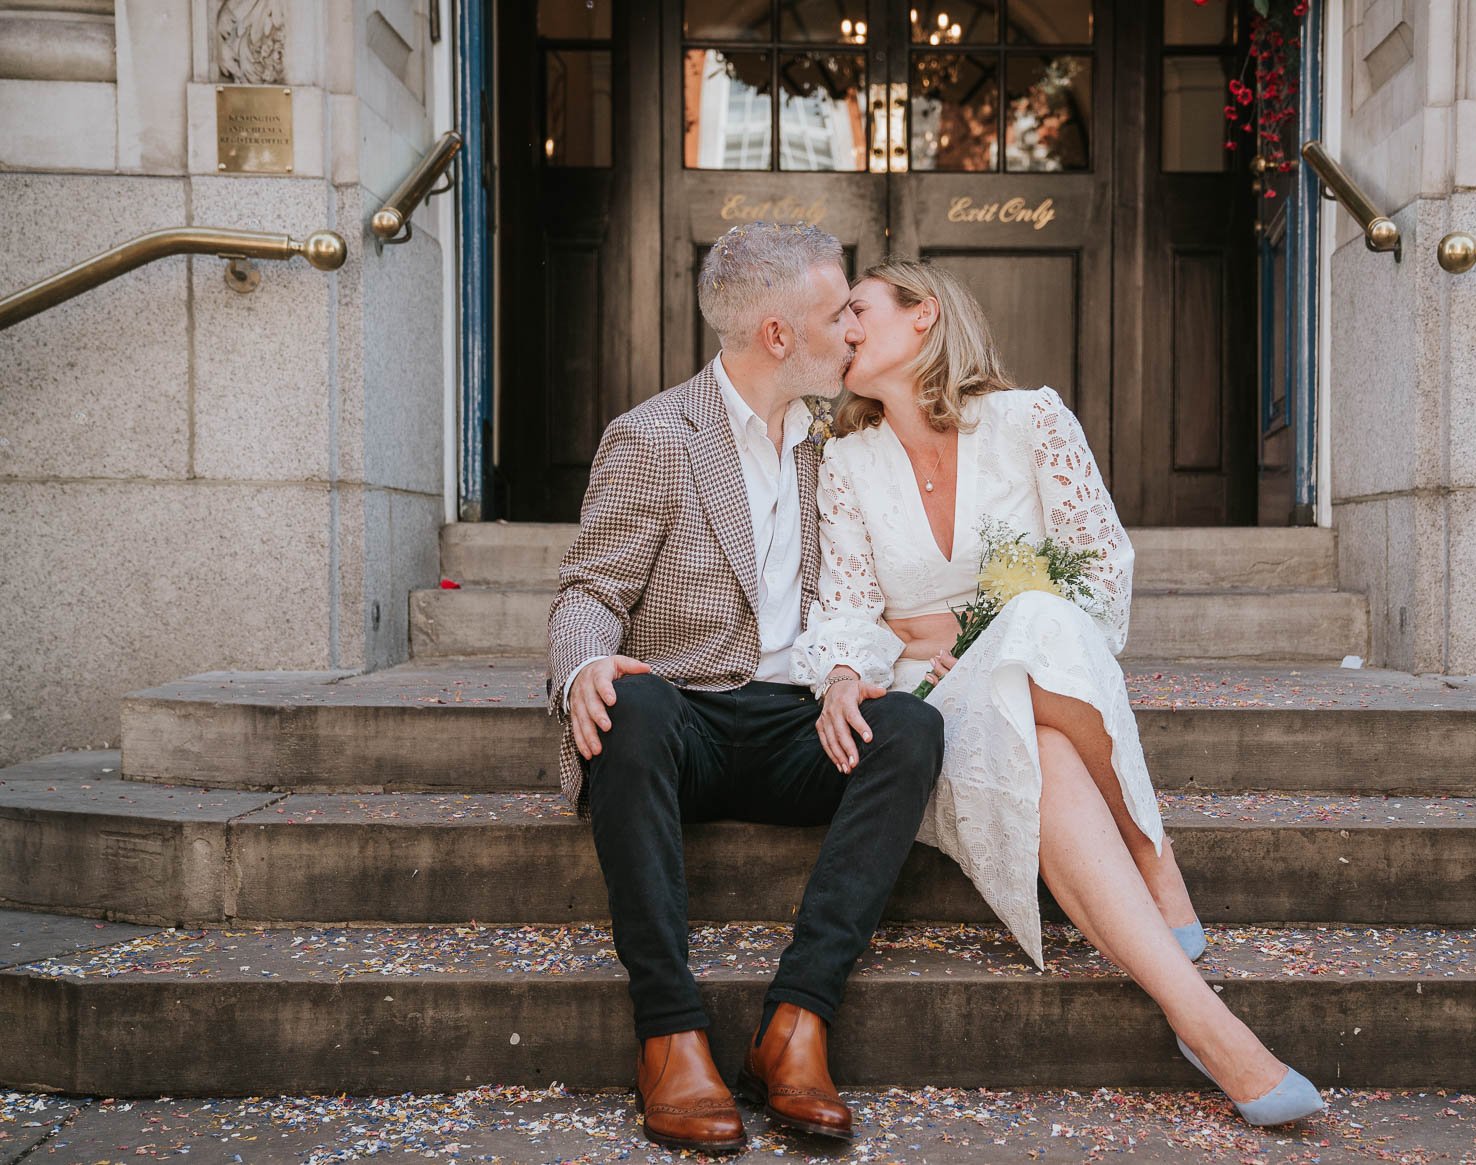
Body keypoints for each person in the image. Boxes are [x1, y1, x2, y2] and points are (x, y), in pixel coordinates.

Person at [790, 260, 1326, 1128]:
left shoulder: (1030, 419)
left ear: (924, 316)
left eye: (858, 309)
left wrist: (974, 623)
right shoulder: (846, 463)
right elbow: (848, 607)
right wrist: (851, 672)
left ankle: (1202, 1018)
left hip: (1036, 673)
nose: (841, 329)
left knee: (1038, 641)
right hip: (933, 700)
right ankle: (1168, 906)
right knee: (1023, 643)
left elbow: (1100, 581)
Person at [547, 224, 944, 1154]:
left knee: (914, 732)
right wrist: (583, 667)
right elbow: (590, 589)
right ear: (778, 335)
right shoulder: (653, 436)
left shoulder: (841, 441)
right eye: (837, 310)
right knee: (630, 700)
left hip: (796, 726)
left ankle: (796, 1024)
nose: (853, 327)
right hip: (678, 724)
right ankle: (670, 1034)